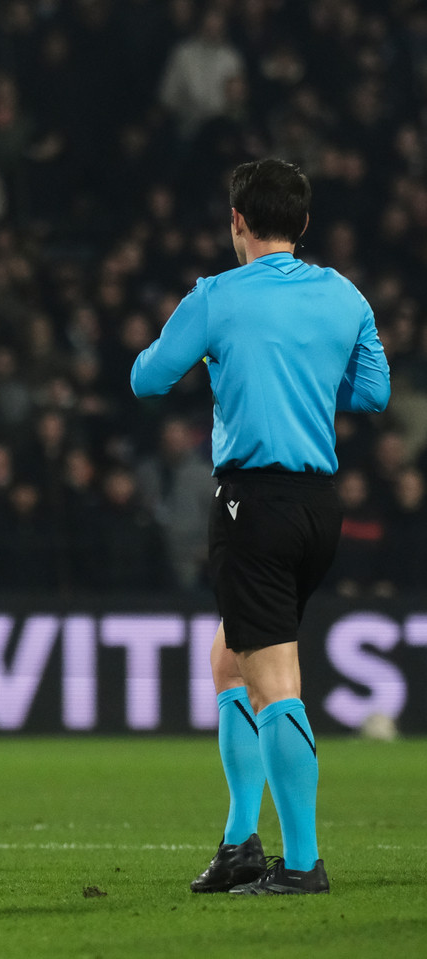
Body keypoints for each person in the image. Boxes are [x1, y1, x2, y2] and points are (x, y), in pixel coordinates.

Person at [131, 159, 390, 895]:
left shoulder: (215, 297)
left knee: (273, 681)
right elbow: (372, 391)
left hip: (253, 504)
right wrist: (305, 370)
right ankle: (240, 841)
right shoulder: (344, 295)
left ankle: (302, 862)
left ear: (236, 220)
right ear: (303, 225)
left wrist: (213, 350)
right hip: (319, 507)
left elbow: (147, 379)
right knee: (228, 661)